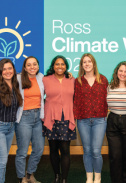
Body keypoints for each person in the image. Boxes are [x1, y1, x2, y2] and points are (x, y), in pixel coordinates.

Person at [0, 56, 45, 183]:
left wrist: (68, 74)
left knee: (39, 149)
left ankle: (29, 174)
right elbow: (5, 79)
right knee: (22, 151)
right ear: (25, 68)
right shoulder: (19, 78)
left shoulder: (42, 77)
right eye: (29, 65)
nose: (32, 67)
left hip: (38, 118)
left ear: (38, 66)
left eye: (34, 64)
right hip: (24, 118)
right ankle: (21, 178)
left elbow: (55, 79)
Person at [74, 53, 108, 183]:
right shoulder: (77, 81)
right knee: (87, 150)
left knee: (96, 151)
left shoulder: (103, 80)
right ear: (81, 65)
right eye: (84, 62)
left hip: (100, 120)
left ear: (94, 63)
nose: (87, 64)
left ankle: (97, 177)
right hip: (83, 120)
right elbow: (75, 101)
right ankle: (89, 177)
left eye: (89, 61)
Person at [42, 55, 76, 183]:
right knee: (53, 149)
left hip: (66, 117)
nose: (60, 66)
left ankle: (64, 179)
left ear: (66, 66)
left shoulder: (72, 80)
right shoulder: (45, 79)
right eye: (57, 64)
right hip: (51, 117)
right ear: (53, 66)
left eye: (62, 64)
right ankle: (57, 175)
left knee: (65, 150)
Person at [106, 61, 126, 183]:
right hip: (113, 122)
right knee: (114, 156)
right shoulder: (110, 86)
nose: (123, 73)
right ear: (116, 71)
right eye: (121, 71)